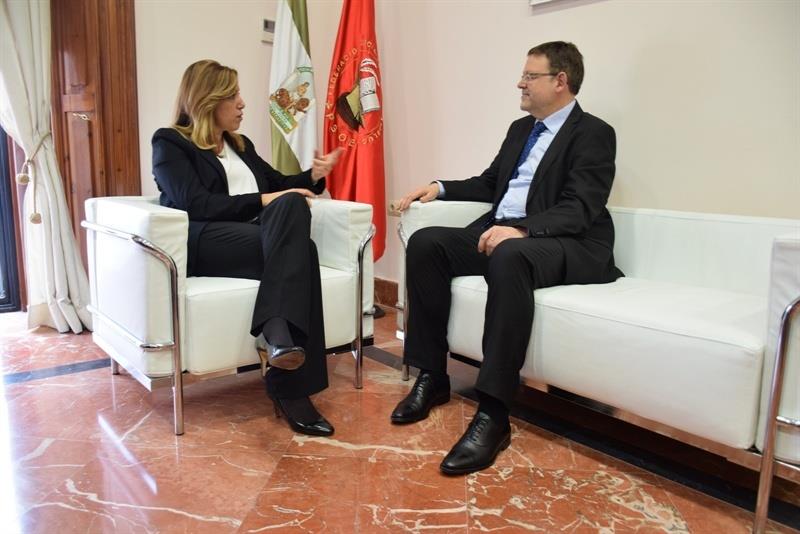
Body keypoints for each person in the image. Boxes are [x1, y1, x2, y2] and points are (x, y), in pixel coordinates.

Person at [392, 42, 623, 474]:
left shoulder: (593, 133)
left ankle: (494, 413)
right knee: (426, 243)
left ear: (560, 81)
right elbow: (491, 183)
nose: (520, 83)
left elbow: (580, 208)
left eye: (530, 76)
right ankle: (431, 376)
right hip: (509, 232)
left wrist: (520, 229)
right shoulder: (521, 129)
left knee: (509, 255)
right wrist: (439, 187)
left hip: (568, 241)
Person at [152, 60, 342, 437]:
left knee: (295, 225)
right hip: (207, 241)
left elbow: (279, 184)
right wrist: (265, 200)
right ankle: (291, 388)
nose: (243, 103)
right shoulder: (171, 142)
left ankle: (280, 342)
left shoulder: (240, 145)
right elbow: (196, 204)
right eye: (234, 96)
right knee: (301, 247)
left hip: (253, 238)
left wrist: (314, 177)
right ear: (208, 100)